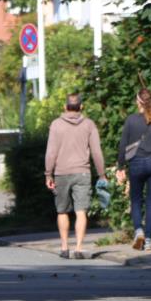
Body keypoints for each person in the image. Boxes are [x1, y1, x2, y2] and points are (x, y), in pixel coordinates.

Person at [44, 93, 106, 259]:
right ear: (81, 107)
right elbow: (96, 152)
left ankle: (64, 247)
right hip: (83, 173)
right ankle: (78, 248)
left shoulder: (56, 125)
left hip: (61, 173)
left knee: (62, 211)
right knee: (81, 211)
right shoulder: (89, 125)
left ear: (65, 107)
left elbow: (51, 153)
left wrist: (48, 174)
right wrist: (102, 174)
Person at [115, 88, 151, 250]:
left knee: (136, 200)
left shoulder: (131, 120)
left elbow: (123, 144)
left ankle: (139, 231)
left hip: (137, 162)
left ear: (138, 101)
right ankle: (149, 241)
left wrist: (120, 165)